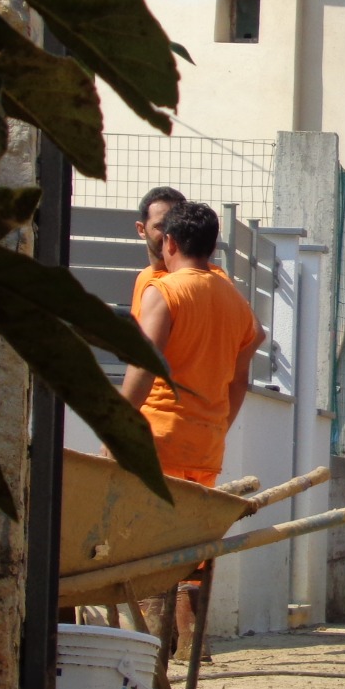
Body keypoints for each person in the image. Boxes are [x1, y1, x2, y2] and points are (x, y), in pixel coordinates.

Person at [121, 201, 265, 487]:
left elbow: (144, 366)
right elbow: (241, 374)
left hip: (158, 442)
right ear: (211, 248)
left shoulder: (164, 291)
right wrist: (217, 429)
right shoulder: (236, 302)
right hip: (206, 450)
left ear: (170, 242)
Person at [132, 186, 228, 317]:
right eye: (161, 226)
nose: (169, 233)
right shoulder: (145, 277)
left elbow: (253, 331)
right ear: (141, 229)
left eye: (176, 226)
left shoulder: (209, 278)